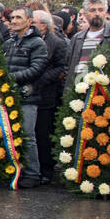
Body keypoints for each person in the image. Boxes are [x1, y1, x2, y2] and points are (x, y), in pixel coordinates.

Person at [5, 7, 47, 188]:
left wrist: (12, 78)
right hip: (8, 95)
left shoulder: (37, 43)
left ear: (29, 22)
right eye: (12, 17)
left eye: (18, 17)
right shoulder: (9, 42)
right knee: (10, 134)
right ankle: (14, 170)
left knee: (28, 135)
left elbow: (37, 69)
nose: (13, 20)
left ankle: (32, 173)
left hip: (27, 96)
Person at [31, 10, 67, 183]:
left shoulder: (57, 43)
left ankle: (46, 169)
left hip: (46, 93)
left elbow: (61, 67)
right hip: (30, 92)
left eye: (34, 22)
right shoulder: (29, 40)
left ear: (43, 25)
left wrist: (42, 78)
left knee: (43, 133)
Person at [66, 0, 110, 80]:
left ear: (105, 12)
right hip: (77, 89)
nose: (97, 14)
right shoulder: (77, 38)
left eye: (101, 10)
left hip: (104, 90)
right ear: (85, 14)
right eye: (92, 10)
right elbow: (68, 66)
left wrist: (108, 82)